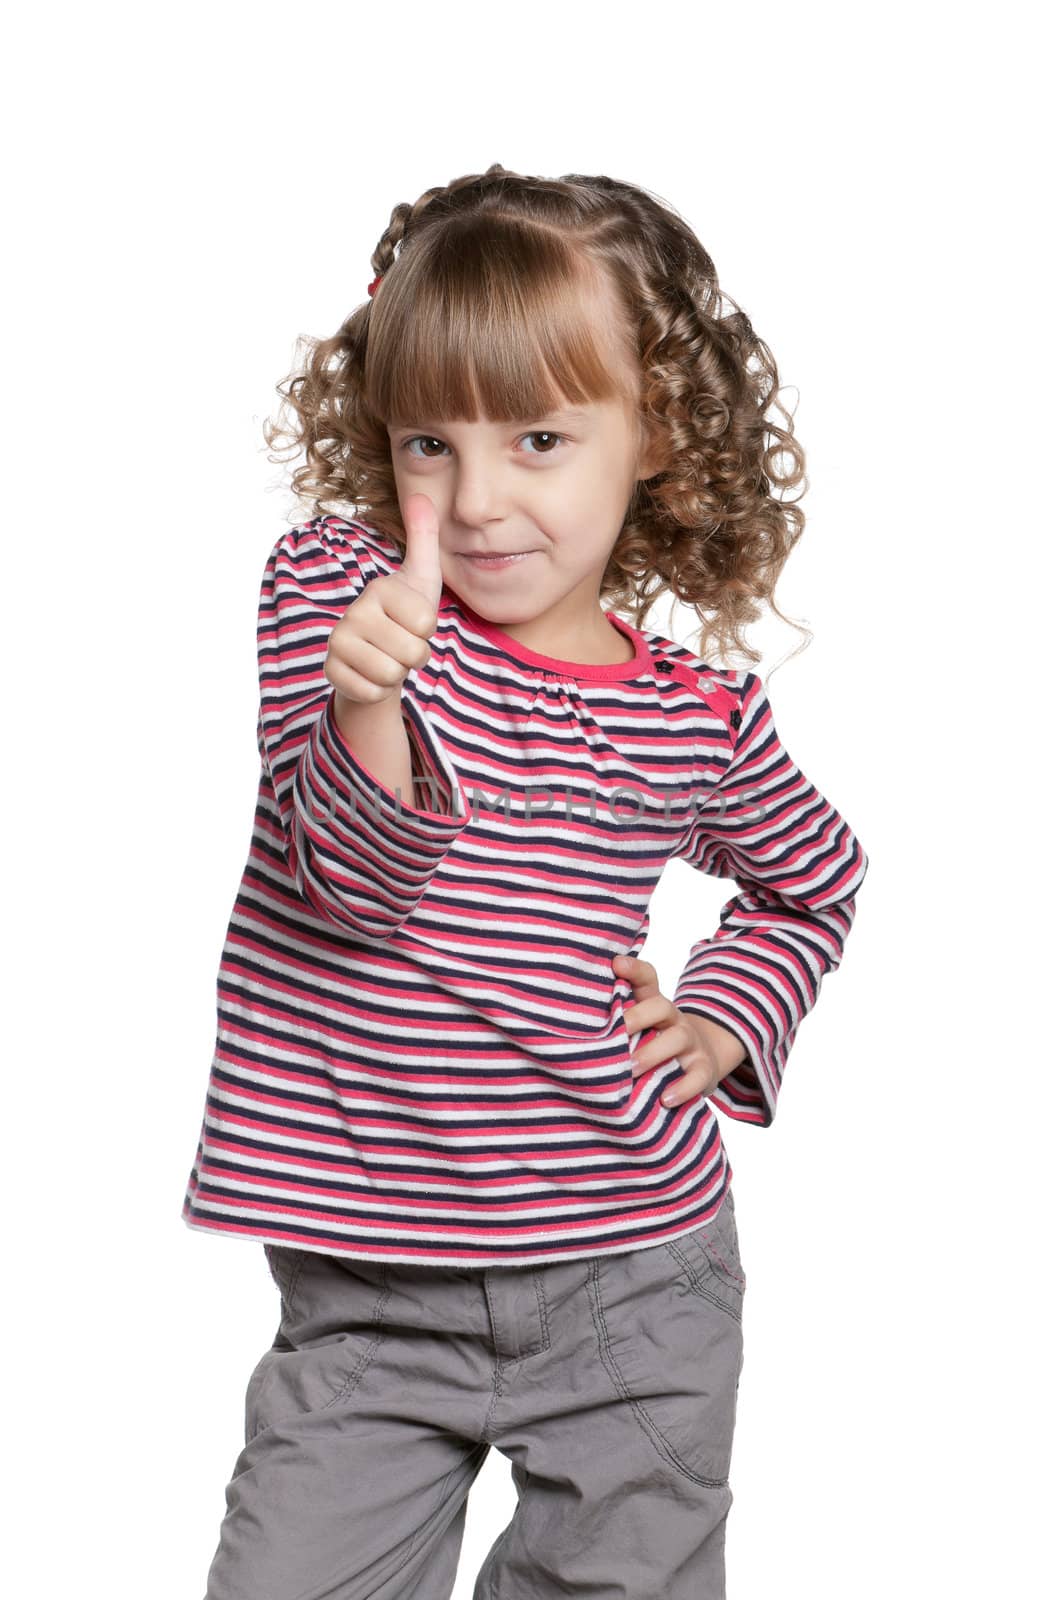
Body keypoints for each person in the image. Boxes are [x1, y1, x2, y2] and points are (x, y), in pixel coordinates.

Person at [185, 163, 869, 1600]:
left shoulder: (698, 714)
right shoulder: (344, 594)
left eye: (542, 438)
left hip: (637, 1281)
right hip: (370, 1295)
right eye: (430, 440)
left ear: (658, 437)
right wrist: (370, 701)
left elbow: (812, 882)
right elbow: (342, 884)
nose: (478, 497)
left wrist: (725, 1017)